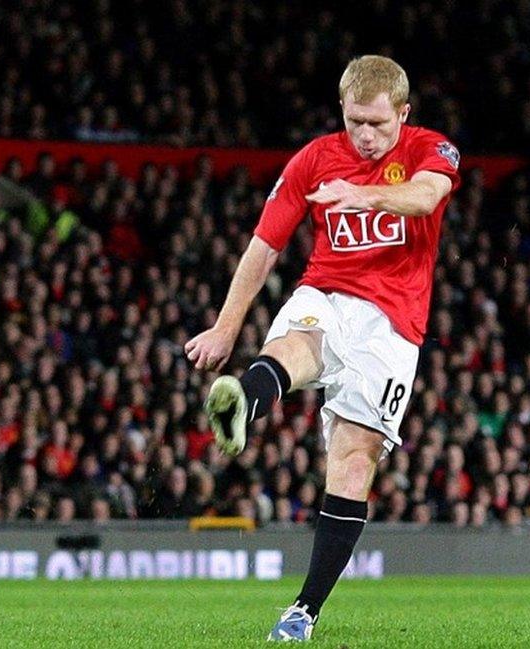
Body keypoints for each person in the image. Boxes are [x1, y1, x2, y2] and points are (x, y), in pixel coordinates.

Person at [184, 55, 460, 641]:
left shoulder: (430, 149)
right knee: (299, 341)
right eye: (356, 121)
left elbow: (427, 197)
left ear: (403, 115)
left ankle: (304, 610)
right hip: (327, 292)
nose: (366, 135)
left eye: (379, 125)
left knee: (354, 461)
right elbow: (263, 247)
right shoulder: (312, 159)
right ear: (342, 109)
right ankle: (246, 401)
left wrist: (363, 196)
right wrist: (225, 329)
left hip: (393, 329)